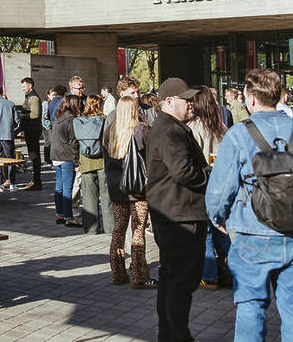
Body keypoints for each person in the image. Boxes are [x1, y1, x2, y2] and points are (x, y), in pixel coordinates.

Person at [206, 70, 293, 339]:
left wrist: (218, 218)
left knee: (251, 305)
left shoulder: (239, 134)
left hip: (253, 230)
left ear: (251, 98)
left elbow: (220, 189)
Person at [146, 77, 210, 342]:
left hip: (174, 212)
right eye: (187, 100)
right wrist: (209, 174)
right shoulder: (170, 130)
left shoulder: (167, 126)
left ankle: (169, 334)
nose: (192, 104)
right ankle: (177, 335)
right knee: (181, 282)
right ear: (170, 101)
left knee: (172, 279)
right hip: (180, 216)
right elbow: (184, 172)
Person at [103, 95, 155, 289]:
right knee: (138, 230)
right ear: (134, 110)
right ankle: (140, 276)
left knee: (119, 228)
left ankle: (117, 273)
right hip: (136, 186)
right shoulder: (141, 130)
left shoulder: (109, 130)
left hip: (116, 186)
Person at [187, 86, 230, 290]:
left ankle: (209, 275)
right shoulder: (220, 126)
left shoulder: (195, 128)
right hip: (222, 182)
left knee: (206, 231)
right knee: (221, 228)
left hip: (204, 183)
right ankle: (235, 268)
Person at [76, 94, 112, 235]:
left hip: (85, 162)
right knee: (106, 196)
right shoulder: (104, 119)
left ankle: (91, 228)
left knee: (88, 197)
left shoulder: (79, 121)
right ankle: (110, 227)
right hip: (102, 161)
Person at [49, 94, 81, 227]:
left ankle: (60, 214)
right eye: (79, 103)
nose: (80, 105)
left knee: (59, 187)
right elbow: (73, 142)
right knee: (67, 188)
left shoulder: (58, 116)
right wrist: (77, 161)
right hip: (66, 155)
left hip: (55, 154)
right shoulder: (71, 119)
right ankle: (69, 217)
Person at [19, 77, 44, 191]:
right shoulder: (29, 96)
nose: (22, 88)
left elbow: (35, 114)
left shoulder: (33, 98)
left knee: (34, 156)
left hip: (33, 130)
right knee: (33, 156)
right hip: (31, 129)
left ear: (30, 86)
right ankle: (35, 180)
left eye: (24, 86)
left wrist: (20, 115)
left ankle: (37, 182)